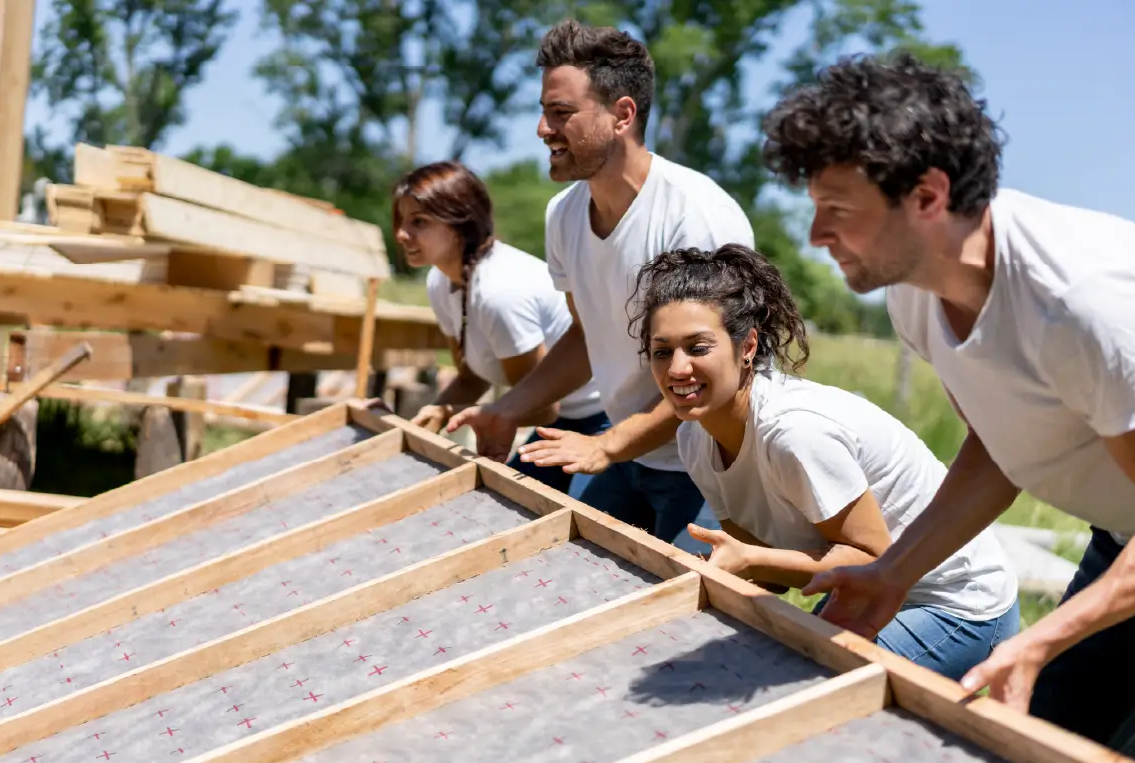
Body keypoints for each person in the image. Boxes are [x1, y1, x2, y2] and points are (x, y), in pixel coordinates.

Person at [759, 52, 1135, 763]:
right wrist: (894, 573)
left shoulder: (1083, 305)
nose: (817, 235)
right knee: (1026, 752)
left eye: (838, 211)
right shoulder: (914, 291)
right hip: (1131, 546)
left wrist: (1040, 635)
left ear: (927, 196)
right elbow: (996, 446)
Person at [629, 242, 1021, 680]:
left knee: (807, 692)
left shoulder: (794, 433)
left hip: (954, 603)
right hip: (865, 592)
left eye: (697, 347)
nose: (677, 368)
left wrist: (749, 564)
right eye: (662, 352)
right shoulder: (694, 438)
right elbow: (765, 568)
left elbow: (871, 560)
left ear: (747, 347)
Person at [445, 20, 756, 546]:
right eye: (544, 112)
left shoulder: (695, 218)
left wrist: (608, 445)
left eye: (561, 113)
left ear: (622, 115)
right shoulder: (563, 215)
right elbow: (588, 335)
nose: (543, 130)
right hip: (631, 454)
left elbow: (714, 374)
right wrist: (507, 410)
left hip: (711, 465)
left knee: (682, 623)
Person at [392, 160, 609, 497]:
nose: (402, 234)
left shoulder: (499, 293)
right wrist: (432, 415)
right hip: (555, 420)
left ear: (461, 223)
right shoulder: (441, 281)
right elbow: (470, 377)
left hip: (600, 419)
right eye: (401, 221)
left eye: (419, 222)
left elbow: (541, 407)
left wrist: (455, 414)